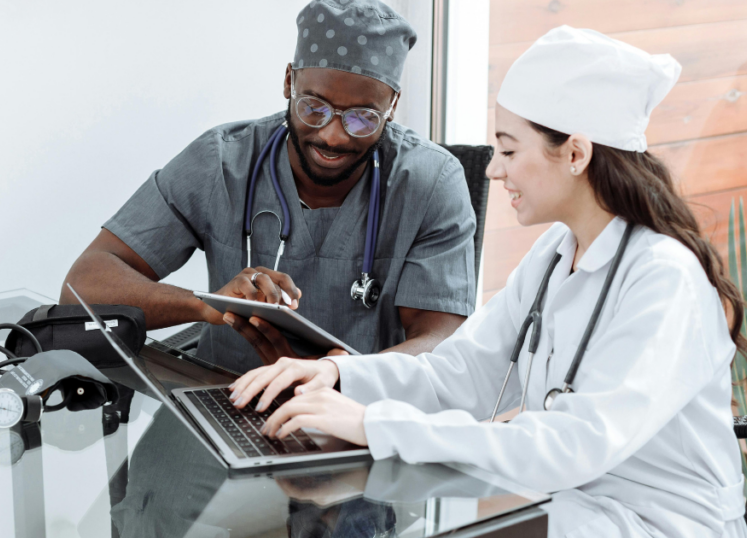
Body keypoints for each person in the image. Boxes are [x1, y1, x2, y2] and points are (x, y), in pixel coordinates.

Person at [227, 26, 747, 537]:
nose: (492, 171)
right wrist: (339, 379)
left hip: (656, 525)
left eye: (508, 150)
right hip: (561, 506)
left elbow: (574, 444)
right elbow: (459, 374)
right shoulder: (555, 253)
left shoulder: (665, 279)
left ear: (576, 154)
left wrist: (374, 424)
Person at [60, 0, 477, 374]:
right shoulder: (223, 162)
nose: (333, 136)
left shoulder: (429, 183)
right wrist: (207, 304)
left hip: (355, 415)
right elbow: (82, 287)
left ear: (393, 106)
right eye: (313, 107)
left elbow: (440, 345)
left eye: (363, 117)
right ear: (288, 82)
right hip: (223, 393)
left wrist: (336, 377)